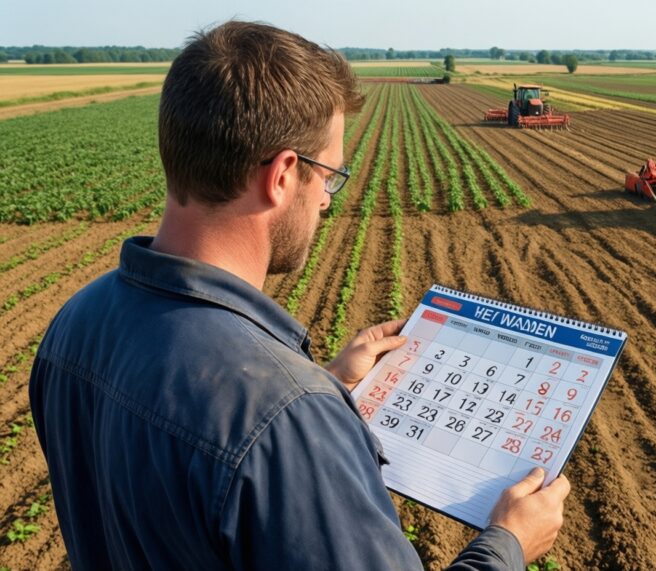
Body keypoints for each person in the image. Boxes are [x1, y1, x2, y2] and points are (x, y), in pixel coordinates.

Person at [29, 20, 569, 570]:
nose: (327, 202)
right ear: (284, 174)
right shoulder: (283, 419)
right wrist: (508, 545)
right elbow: (247, 438)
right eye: (329, 177)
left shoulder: (75, 322)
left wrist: (327, 386)